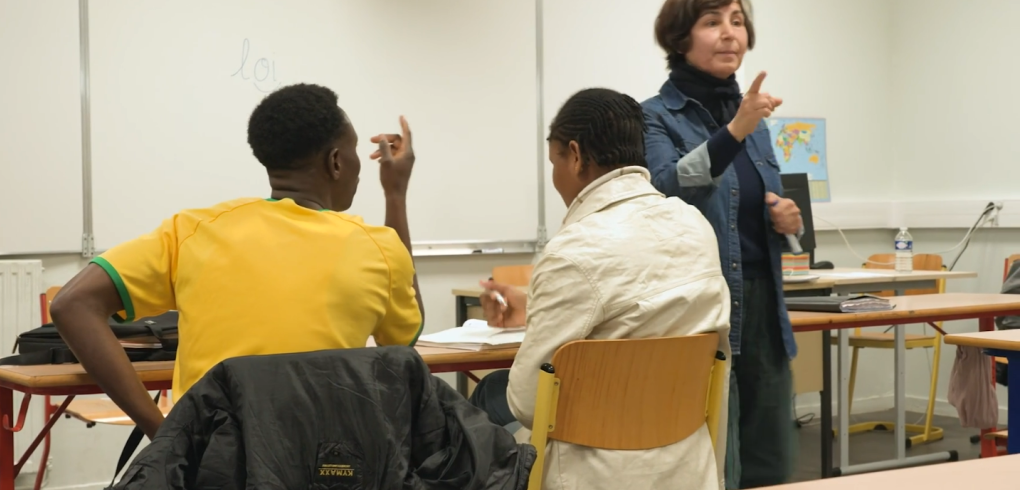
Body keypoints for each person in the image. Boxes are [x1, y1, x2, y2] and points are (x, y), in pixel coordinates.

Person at [50, 83, 424, 440]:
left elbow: (72, 304)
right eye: (354, 150)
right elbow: (403, 341)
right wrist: (395, 194)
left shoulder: (191, 232)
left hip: (211, 462)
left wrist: (160, 432)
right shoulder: (378, 247)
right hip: (326, 462)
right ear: (336, 163)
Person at [471, 88, 732, 490]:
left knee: (482, 400)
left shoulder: (573, 250)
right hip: (688, 464)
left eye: (555, 161)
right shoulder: (694, 225)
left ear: (575, 156)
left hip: (593, 473)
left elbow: (527, 403)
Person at [640, 0, 803, 487]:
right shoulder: (653, 116)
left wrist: (788, 221)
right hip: (701, 306)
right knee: (716, 456)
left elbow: (761, 205)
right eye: (712, 22)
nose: (730, 33)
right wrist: (737, 130)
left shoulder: (753, 119)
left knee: (771, 456)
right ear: (679, 38)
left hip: (764, 304)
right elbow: (667, 188)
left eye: (737, 22)